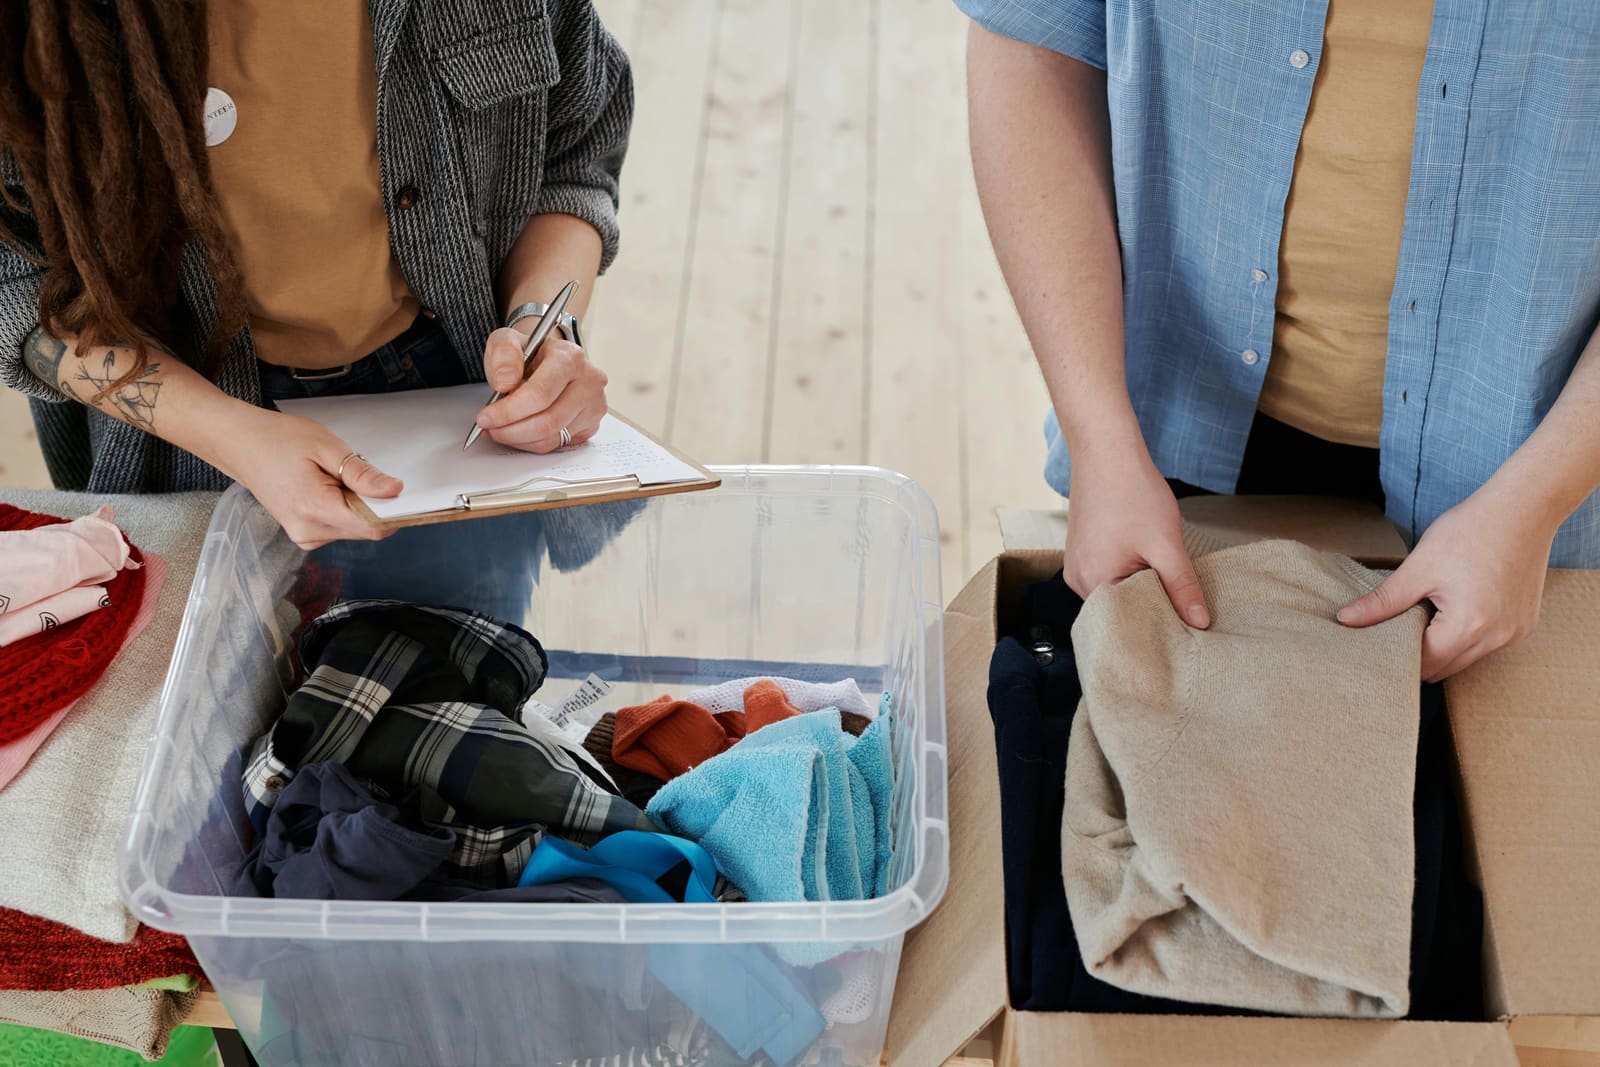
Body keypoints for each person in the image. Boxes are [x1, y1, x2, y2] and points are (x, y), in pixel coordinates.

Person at [959, 0, 1600, 680]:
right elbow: (1030, 39)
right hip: (1167, 415)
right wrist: (1099, 437)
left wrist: (1537, 501)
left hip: (1532, 459)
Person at [0, 0, 628, 551]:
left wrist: (541, 326)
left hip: (458, 395)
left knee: (472, 664)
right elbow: (19, 289)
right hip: (176, 426)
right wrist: (231, 436)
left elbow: (575, 154)